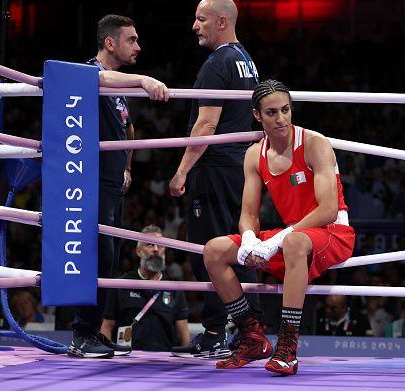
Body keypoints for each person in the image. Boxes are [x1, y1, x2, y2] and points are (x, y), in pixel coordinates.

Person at [203, 79, 355, 375]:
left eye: (286, 110)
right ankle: (252, 337)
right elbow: (248, 212)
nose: (281, 118)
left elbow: (328, 209)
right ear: (258, 116)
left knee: (295, 241)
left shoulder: (314, 144)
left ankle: (287, 348)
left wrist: (277, 241)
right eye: (272, 112)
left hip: (332, 232)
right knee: (214, 251)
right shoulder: (253, 154)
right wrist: (249, 240)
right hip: (296, 235)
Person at [69, 14, 170, 359]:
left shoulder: (117, 91)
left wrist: (127, 167)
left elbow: (127, 129)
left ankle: (92, 332)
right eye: (131, 39)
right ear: (110, 43)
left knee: (108, 259)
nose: (138, 46)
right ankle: (82, 333)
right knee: (96, 256)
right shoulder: (90, 74)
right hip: (90, 181)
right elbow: (99, 77)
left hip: (113, 184)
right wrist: (143, 79)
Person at [168, 0, 262, 359]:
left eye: (201, 19)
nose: (195, 25)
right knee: (238, 248)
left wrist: (182, 171)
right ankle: (245, 330)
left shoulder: (218, 62)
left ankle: (216, 331)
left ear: (222, 21)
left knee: (209, 252)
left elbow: (206, 124)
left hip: (215, 167)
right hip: (237, 168)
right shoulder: (246, 60)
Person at [100, 225, 190, 352]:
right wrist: (106, 357)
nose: (156, 249)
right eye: (150, 245)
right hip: (127, 360)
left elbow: (183, 332)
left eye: (160, 245)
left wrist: (184, 364)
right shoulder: (121, 284)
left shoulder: (175, 288)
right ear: (138, 251)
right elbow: (107, 325)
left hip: (164, 361)